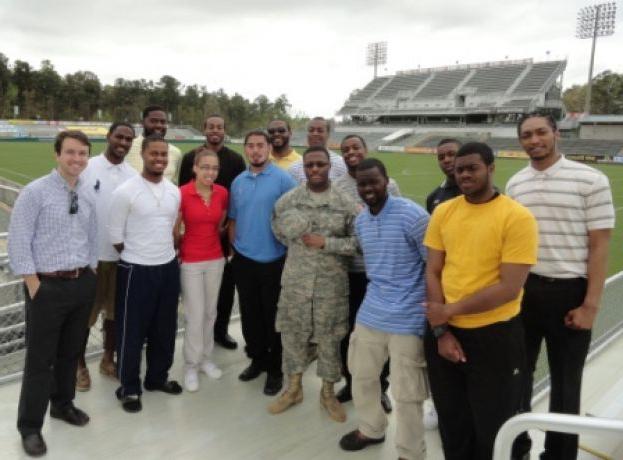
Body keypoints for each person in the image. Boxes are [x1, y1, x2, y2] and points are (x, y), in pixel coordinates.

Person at [507, 113, 615, 460]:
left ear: (556, 133)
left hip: (570, 293)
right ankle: (517, 447)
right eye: (527, 135)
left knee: (567, 384)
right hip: (524, 292)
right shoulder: (516, 184)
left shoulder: (591, 179)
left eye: (541, 132)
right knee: (516, 378)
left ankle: (559, 455)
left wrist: (590, 305)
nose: (534, 140)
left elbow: (599, 246)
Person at [423, 142, 538, 459]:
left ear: (491, 167)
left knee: (495, 425)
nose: (464, 174)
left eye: (472, 167)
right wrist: (442, 330)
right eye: (459, 169)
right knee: (453, 421)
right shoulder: (444, 212)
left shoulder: (517, 218)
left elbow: (509, 288)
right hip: (444, 332)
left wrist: (448, 311)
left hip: (494, 336)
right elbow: (432, 270)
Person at [8, 130, 98, 457]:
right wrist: (35, 285)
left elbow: (92, 233)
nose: (77, 159)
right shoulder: (35, 193)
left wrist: (90, 274)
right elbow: (19, 241)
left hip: (80, 284)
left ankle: (63, 404)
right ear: (57, 154)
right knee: (39, 360)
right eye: (71, 153)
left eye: (83, 154)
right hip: (46, 287)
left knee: (69, 353)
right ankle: (30, 426)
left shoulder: (87, 192)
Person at [339, 157, 429, 459]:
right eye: (362, 183)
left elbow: (435, 265)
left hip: (408, 318)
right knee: (361, 376)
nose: (368, 188)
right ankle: (371, 428)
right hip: (372, 312)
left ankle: (410, 451)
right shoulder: (362, 221)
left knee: (407, 394)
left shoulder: (413, 216)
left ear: (386, 180)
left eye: (374, 181)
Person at [269, 146, 358, 423]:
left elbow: (359, 243)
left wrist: (327, 243)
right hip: (296, 283)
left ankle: (328, 393)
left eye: (320, 164)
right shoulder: (288, 201)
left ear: (330, 166)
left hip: (330, 288)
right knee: (292, 336)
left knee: (329, 340)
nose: (315, 170)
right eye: (310, 165)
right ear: (304, 167)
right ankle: (293, 389)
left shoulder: (345, 203)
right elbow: (279, 231)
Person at [109, 134, 182, 413]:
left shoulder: (174, 191)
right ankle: (129, 388)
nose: (160, 159)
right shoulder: (126, 192)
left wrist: (161, 256)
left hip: (167, 268)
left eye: (164, 155)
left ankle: (157, 378)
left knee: (165, 329)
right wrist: (141, 255)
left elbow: (170, 227)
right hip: (136, 270)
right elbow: (116, 237)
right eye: (154, 154)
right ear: (143, 154)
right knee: (132, 332)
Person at [333, 134, 400, 413]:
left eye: (355, 147)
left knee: (379, 335)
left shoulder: (390, 185)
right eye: (345, 149)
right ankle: (351, 382)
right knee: (347, 332)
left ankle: (380, 388)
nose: (351, 152)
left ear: (365, 149)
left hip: (379, 274)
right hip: (347, 273)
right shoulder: (336, 187)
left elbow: (395, 223)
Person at [229, 130, 297, 396]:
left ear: (269, 148)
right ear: (245, 149)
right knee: (250, 315)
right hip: (244, 260)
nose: (255, 150)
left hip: (274, 260)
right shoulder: (238, 181)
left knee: (273, 318)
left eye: (260, 145)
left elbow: (294, 220)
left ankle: (275, 369)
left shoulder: (284, 180)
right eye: (251, 146)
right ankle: (257, 359)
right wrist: (234, 252)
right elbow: (233, 219)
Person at [75, 122, 137, 392]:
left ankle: (107, 359)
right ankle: (79, 366)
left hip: (120, 257)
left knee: (113, 315)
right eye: (119, 136)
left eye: (128, 139)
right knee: (84, 318)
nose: (123, 142)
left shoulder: (133, 175)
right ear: (109, 137)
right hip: (89, 259)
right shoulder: (88, 167)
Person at [178, 114, 246, 351]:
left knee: (225, 290)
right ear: (204, 129)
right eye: (211, 126)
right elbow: (183, 196)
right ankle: (196, 344)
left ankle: (220, 331)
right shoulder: (189, 158)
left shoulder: (236, 159)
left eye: (220, 126)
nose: (215, 130)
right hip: (196, 237)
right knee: (196, 303)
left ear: (224, 131)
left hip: (222, 234)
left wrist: (229, 230)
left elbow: (237, 195)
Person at [175, 148, 228, 392]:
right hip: (191, 261)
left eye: (214, 168)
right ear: (194, 168)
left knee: (210, 313)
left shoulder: (222, 193)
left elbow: (220, 224)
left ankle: (206, 359)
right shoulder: (182, 193)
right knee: (194, 315)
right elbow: (175, 229)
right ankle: (191, 365)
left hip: (215, 258)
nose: (210, 172)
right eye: (205, 167)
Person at [126, 105, 182, 183]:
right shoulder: (128, 147)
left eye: (163, 122)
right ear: (142, 123)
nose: (159, 125)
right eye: (153, 121)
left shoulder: (176, 152)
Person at [287, 117, 347, 183]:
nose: (315, 133)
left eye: (320, 130)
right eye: (311, 130)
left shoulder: (341, 164)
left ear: (328, 134)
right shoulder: (294, 168)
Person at [426, 138, 462, 214]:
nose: (446, 160)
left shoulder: (481, 192)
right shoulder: (433, 198)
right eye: (441, 158)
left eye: (451, 154)